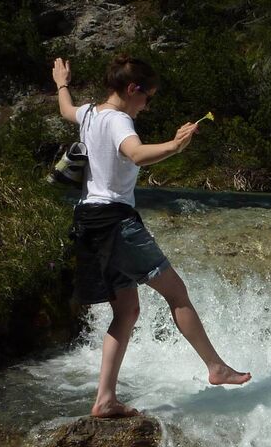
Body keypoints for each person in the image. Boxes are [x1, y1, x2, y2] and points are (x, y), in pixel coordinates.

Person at [52, 55, 251, 418]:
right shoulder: (118, 120)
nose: (147, 105)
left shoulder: (90, 114)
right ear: (132, 90)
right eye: (147, 97)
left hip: (88, 220)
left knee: (126, 312)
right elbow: (136, 154)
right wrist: (174, 146)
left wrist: (62, 82)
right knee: (177, 293)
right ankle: (216, 367)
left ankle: (105, 399)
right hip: (115, 221)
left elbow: (66, 109)